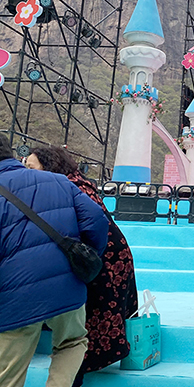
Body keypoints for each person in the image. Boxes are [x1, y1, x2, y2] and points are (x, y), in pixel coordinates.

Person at [0, 134, 108, 387]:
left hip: (15, 290)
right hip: (67, 283)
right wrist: (80, 258)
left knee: (9, 368)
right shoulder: (58, 181)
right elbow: (97, 221)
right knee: (72, 341)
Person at [25, 146, 138, 387]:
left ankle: (81, 368)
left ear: (50, 166)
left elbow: (94, 224)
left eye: (32, 167)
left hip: (102, 260)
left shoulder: (72, 187)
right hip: (93, 257)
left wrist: (90, 256)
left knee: (93, 316)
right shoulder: (70, 184)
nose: (27, 172)